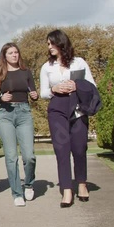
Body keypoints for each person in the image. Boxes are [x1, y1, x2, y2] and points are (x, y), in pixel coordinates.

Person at [39, 29, 96, 208]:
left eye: (51, 43)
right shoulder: (47, 67)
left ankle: (81, 184)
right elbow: (43, 93)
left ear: (60, 42)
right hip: (57, 109)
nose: (49, 47)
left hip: (78, 108)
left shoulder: (79, 62)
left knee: (79, 147)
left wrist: (76, 85)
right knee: (61, 149)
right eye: (48, 44)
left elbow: (92, 86)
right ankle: (66, 190)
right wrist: (54, 90)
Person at [0, 43, 38, 207]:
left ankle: (29, 183)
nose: (14, 55)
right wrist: (0, 99)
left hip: (24, 113)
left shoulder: (26, 72)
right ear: (4, 56)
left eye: (16, 52)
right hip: (5, 115)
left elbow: (34, 93)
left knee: (29, 156)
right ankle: (17, 193)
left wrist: (34, 94)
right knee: (11, 157)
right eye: (10, 53)